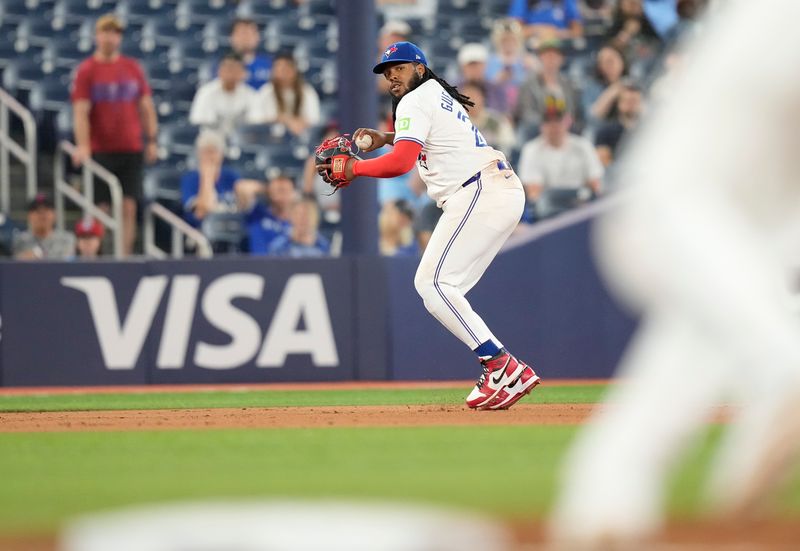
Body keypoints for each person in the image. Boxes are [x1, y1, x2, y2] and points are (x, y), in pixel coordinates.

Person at [550, 0, 800, 546]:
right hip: (670, 212)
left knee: (640, 435)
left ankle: (600, 516)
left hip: (735, 242)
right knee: (782, 367)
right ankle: (781, 379)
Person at [317, 41, 541, 410]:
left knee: (432, 284)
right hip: (496, 191)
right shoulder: (434, 94)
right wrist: (385, 138)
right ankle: (502, 367)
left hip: (479, 191)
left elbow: (400, 164)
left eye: (400, 68)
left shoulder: (414, 99)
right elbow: (423, 142)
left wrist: (354, 167)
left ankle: (501, 365)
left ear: (420, 69)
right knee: (444, 290)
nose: (392, 76)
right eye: (388, 72)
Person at [71, 13, 158, 257]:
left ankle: (124, 255)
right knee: (101, 207)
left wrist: (151, 140)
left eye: (115, 33)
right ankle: (98, 254)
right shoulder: (87, 70)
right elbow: (80, 111)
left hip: (130, 147)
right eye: (105, 32)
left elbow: (146, 106)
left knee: (129, 206)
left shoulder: (132, 68)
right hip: (102, 148)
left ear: (119, 38)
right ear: (97, 36)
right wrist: (83, 145)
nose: (110, 38)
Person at [517, 98, 603, 219]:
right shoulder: (531, 150)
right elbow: (534, 194)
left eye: (558, 121)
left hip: (580, 201)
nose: (554, 126)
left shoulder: (583, 145)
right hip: (550, 205)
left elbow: (596, 184)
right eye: (549, 121)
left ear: (566, 122)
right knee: (544, 204)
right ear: (542, 125)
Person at [513, 39, 579, 139]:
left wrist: (562, 124)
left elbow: (571, 110)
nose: (551, 59)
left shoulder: (568, 84)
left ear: (561, 59)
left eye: (555, 55)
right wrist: (548, 125)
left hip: (565, 128)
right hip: (537, 129)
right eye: (547, 55)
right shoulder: (528, 83)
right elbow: (527, 112)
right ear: (540, 58)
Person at [248, 52, 321, 136]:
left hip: (301, 135)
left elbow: (314, 119)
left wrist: (298, 123)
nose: (281, 73)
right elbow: (254, 119)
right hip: (270, 137)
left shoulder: (306, 91)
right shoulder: (265, 91)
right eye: (277, 69)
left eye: (285, 69)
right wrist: (284, 120)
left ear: (294, 70)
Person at [189, 51, 255, 140]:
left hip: (242, 141)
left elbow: (255, 126)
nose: (230, 72)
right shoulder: (206, 92)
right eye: (227, 68)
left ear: (243, 73)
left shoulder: (251, 95)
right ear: (219, 71)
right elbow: (199, 123)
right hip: (212, 140)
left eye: (235, 68)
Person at [485, 18, 538, 114]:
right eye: (505, 40)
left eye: (512, 40)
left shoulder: (528, 61)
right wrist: (497, 80)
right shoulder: (489, 61)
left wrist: (533, 68)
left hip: (523, 107)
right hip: (496, 107)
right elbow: (485, 87)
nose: (508, 43)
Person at [458, 81, 516, 158]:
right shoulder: (457, 122)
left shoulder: (496, 120)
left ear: (483, 98)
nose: (468, 100)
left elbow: (508, 146)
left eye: (473, 95)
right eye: (464, 96)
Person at [594, 81, 643, 168]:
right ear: (619, 104)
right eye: (628, 101)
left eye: (635, 101)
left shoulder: (649, 131)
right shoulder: (606, 131)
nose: (631, 105)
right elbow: (603, 161)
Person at [580, 43, 629, 130]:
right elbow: (592, 118)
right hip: (603, 132)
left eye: (611, 60)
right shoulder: (592, 88)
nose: (609, 65)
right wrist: (613, 90)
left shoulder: (633, 83)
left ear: (622, 60)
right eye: (603, 62)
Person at [13, 193, 75, 260]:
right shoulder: (20, 240)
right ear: (29, 216)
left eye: (46, 209)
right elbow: (15, 265)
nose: (42, 214)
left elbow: (67, 265)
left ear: (54, 214)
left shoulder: (66, 239)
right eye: (37, 210)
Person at [246, 174, 296, 255]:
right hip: (259, 264)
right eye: (279, 190)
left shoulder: (299, 223)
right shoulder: (257, 214)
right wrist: (266, 188)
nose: (282, 196)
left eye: (286, 191)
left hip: (289, 265)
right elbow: (242, 188)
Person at [266, 197, 330, 258]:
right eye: (299, 215)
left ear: (316, 219)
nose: (304, 219)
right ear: (291, 217)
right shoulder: (279, 247)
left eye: (308, 215)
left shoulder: (325, 245)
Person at [508, 0, 584, 46]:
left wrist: (556, 33)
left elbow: (577, 30)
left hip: (560, 46)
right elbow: (514, 31)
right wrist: (539, 30)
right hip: (532, 46)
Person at [228, 17, 272, 90]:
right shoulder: (221, 67)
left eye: (249, 33)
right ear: (232, 38)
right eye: (241, 33)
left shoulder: (271, 65)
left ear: (258, 37)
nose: (245, 38)